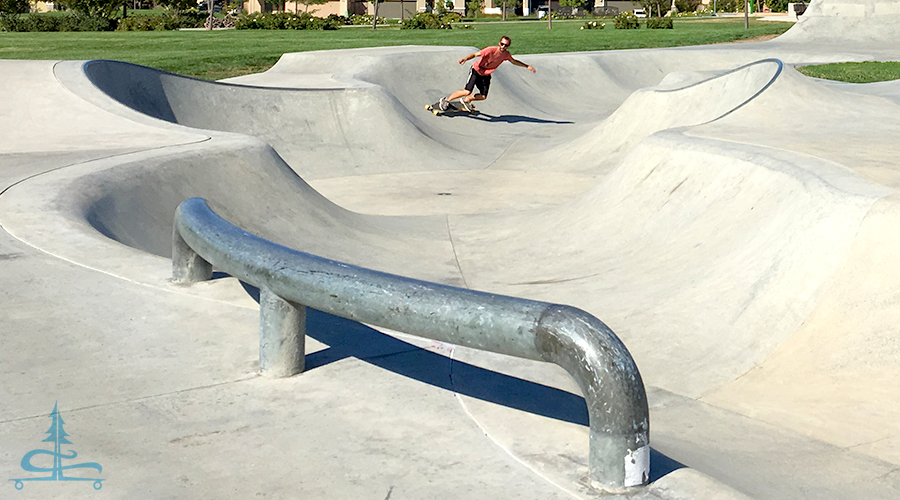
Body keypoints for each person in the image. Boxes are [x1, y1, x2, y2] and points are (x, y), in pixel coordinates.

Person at [440, 36, 536, 112]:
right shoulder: (490, 50)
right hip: (476, 70)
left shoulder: (506, 54)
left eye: (505, 45)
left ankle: (466, 100)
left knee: (483, 97)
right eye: (502, 44)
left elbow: (514, 61)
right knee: (467, 91)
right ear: (499, 43)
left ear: (508, 46)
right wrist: (465, 59)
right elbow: (474, 54)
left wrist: (526, 66)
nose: (503, 47)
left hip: (485, 75)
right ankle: (446, 100)